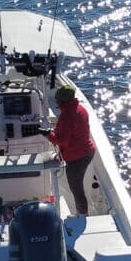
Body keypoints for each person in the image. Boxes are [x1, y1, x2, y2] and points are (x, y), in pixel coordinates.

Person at [40, 86, 96, 216]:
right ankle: (82, 212)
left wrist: (48, 135)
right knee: (78, 185)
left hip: (77, 157)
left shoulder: (66, 116)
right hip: (87, 150)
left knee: (76, 187)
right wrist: (53, 133)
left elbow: (63, 141)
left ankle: (82, 214)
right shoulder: (81, 109)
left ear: (61, 101)